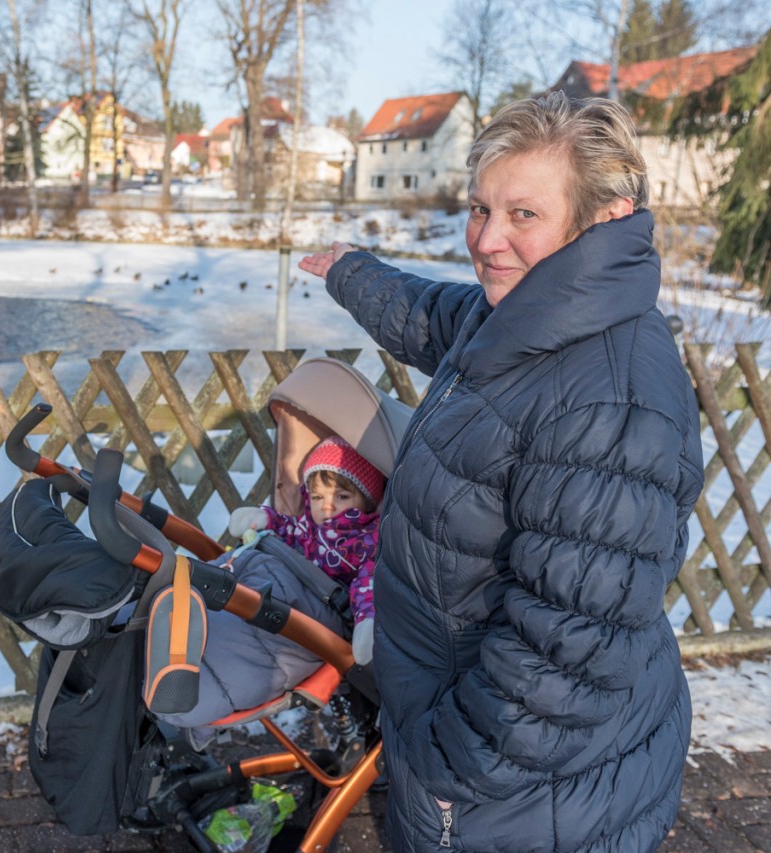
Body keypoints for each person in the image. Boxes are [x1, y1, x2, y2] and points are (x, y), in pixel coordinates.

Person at [298, 91, 703, 852]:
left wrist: (446, 762)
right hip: (478, 749)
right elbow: (436, 317)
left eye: (523, 214)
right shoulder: (527, 313)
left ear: (603, 218)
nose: (486, 239)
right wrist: (354, 274)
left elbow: (563, 657)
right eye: (480, 208)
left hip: (520, 794)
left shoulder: (609, 400)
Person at [227, 435, 385, 665]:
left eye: (341, 496)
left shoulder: (366, 541)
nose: (327, 505)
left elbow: (366, 585)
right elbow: (287, 528)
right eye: (318, 497)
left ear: (368, 501)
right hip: (288, 596)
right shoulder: (309, 527)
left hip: (326, 616)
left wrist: (367, 620)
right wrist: (262, 519)